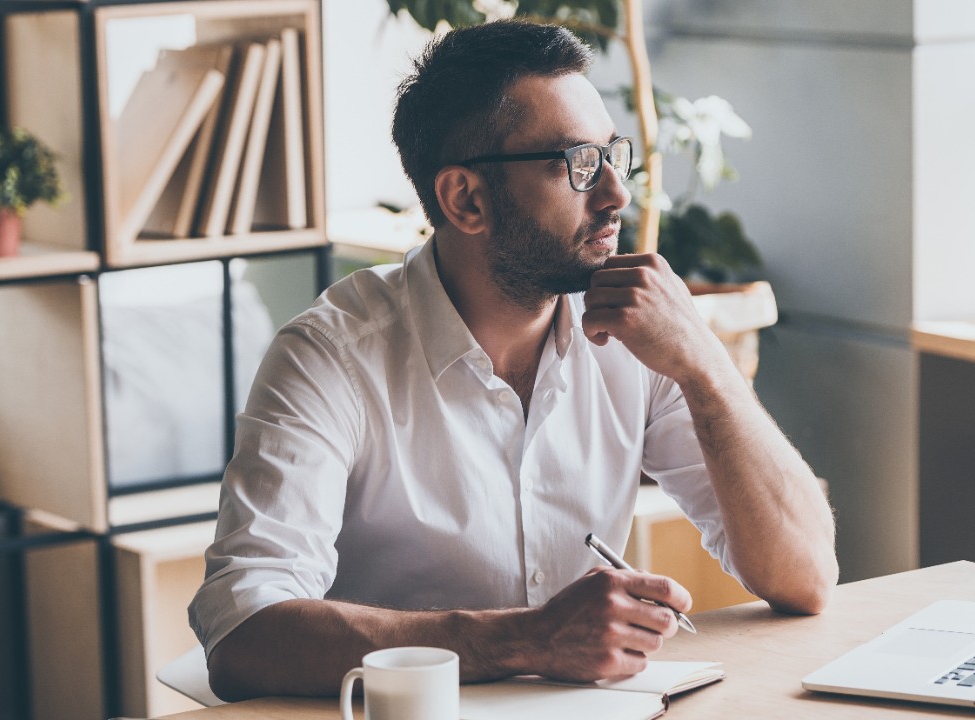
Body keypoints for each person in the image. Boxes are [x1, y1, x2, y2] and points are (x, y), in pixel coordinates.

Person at [190, 19, 838, 701]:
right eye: (577, 165)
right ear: (466, 199)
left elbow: (806, 576)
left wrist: (706, 367)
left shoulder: (641, 334)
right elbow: (243, 635)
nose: (617, 193)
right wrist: (526, 639)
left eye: (613, 154)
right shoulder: (331, 358)